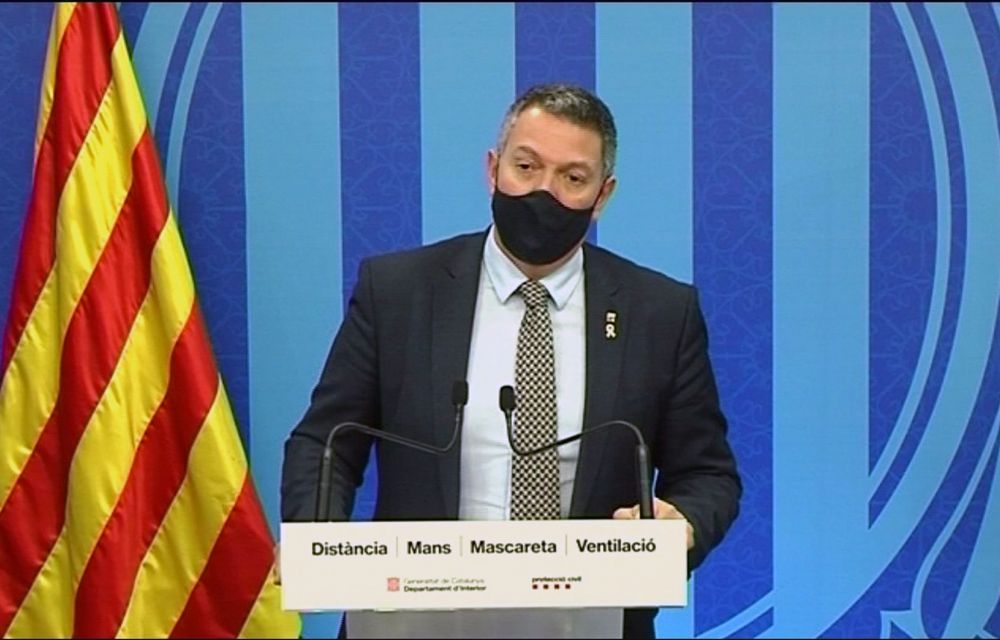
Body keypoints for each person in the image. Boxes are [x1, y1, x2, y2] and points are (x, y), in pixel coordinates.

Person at [281, 83, 741, 639]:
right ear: (493, 169)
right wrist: (316, 538)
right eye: (526, 167)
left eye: (573, 178)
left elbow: (707, 473)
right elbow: (326, 441)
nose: (543, 191)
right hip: (412, 622)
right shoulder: (399, 291)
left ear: (603, 195)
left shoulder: (660, 312)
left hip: (586, 624)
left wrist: (682, 523)